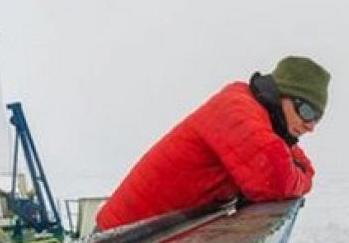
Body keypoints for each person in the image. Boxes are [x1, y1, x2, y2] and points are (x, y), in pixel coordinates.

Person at [94, 56, 329, 230]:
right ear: (282, 95)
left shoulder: (259, 117)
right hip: (117, 242)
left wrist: (296, 168)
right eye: (306, 111)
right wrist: (297, 172)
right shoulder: (238, 111)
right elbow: (277, 182)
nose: (310, 126)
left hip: (148, 235)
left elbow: (302, 166)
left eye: (317, 118)